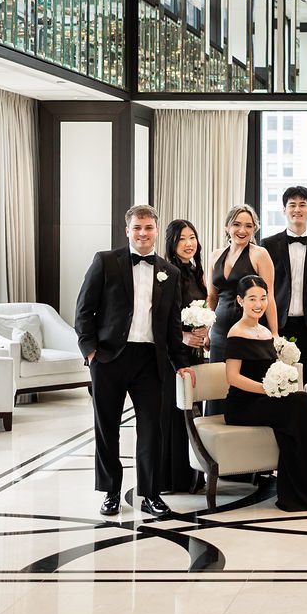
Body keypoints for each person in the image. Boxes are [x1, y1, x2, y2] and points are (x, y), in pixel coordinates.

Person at [74, 204, 195, 518]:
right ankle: (112, 491)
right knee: (107, 428)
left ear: (156, 231)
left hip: (150, 360)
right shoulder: (105, 262)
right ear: (127, 230)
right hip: (109, 357)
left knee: (152, 429)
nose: (143, 233)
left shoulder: (171, 272)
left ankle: (152, 494)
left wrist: (181, 362)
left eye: (149, 228)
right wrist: (90, 351)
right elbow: (84, 309)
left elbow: (172, 325)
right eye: (137, 228)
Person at [223, 275, 307, 511]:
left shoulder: (265, 331)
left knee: (303, 400)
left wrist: (281, 382)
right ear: (240, 301)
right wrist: (267, 389)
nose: (259, 304)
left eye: (263, 298)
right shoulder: (236, 332)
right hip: (244, 404)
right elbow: (233, 377)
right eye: (252, 299)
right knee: (299, 403)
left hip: (266, 399)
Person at [207, 204, 277, 414]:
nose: (242, 230)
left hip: (248, 333)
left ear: (254, 229)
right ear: (227, 226)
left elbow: (269, 296)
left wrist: (274, 332)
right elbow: (211, 296)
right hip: (219, 332)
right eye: (237, 224)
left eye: (249, 225)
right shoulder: (215, 255)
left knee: (239, 385)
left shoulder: (259, 254)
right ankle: (212, 442)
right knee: (217, 385)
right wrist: (207, 330)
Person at [261, 186, 307, 382]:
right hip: (276, 326)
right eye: (292, 205)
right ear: (284, 210)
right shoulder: (268, 245)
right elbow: (261, 287)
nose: (297, 209)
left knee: (306, 378)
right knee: (275, 379)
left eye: (303, 204)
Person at [158, 219, 209, 493]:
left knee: (191, 412)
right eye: (182, 239)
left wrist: (205, 332)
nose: (189, 243)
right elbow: (162, 317)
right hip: (173, 352)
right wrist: (185, 336)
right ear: (172, 244)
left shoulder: (197, 271)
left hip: (195, 352)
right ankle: (169, 478)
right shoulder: (167, 273)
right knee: (173, 412)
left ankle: (191, 475)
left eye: (192, 237)